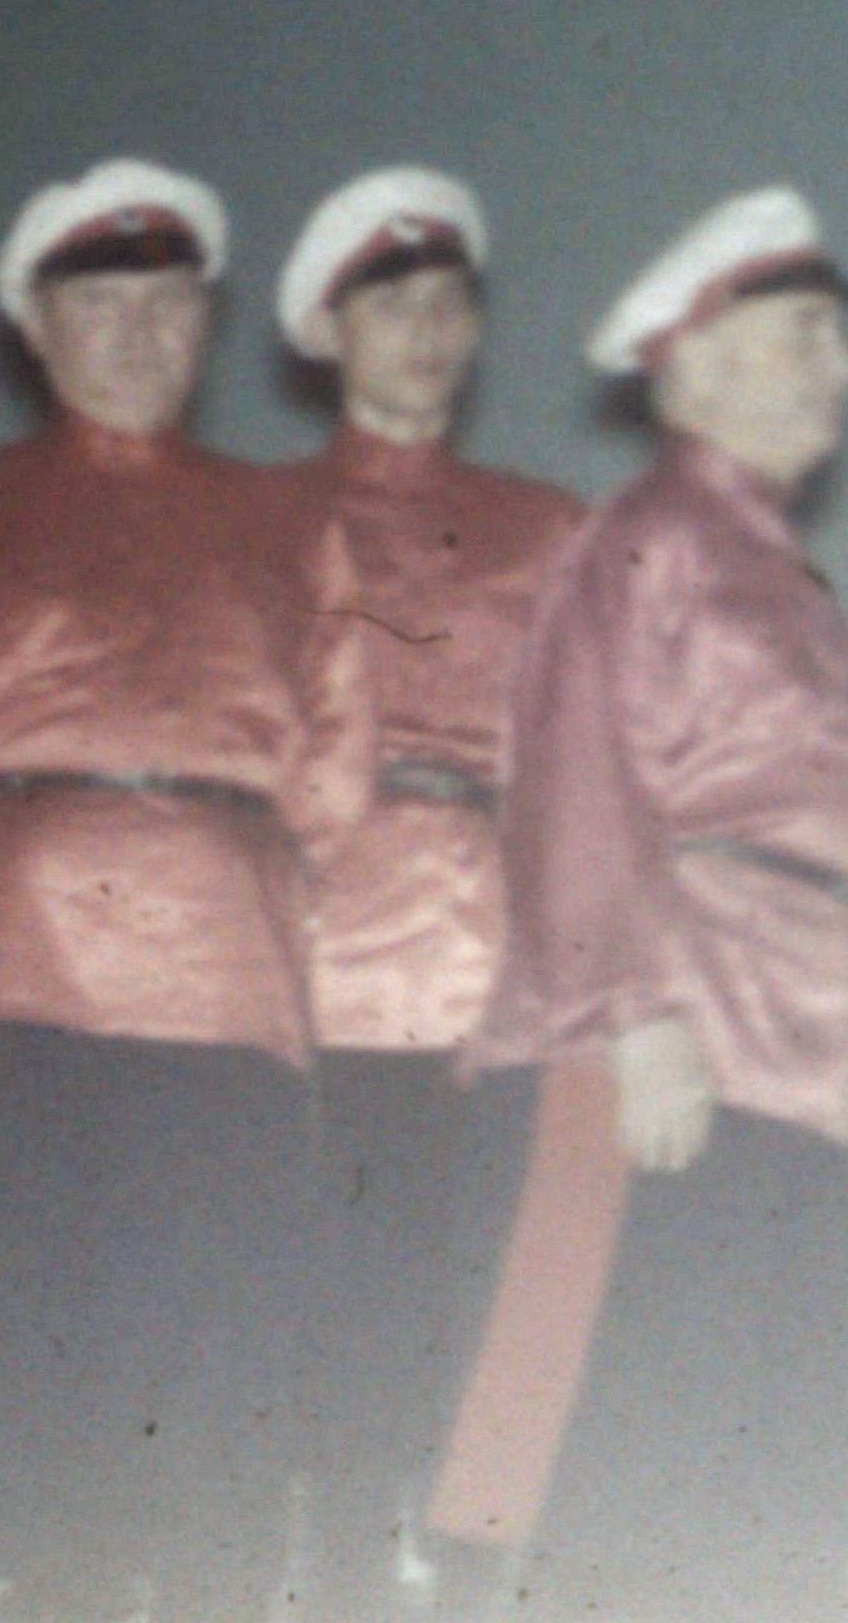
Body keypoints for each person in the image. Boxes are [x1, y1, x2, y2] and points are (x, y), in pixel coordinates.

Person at [0, 160, 373, 1623]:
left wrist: (199, 854)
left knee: (204, 1393)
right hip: (3, 985)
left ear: (208, 324)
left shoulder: (290, 527)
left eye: (167, 304)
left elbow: (337, 768)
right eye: (102, 304)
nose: (136, 334)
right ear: (36, 329)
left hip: (220, 1003)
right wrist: (14, 841)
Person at [451, 184, 848, 1621]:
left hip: (791, 1055)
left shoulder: (780, 571)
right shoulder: (649, 537)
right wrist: (633, 1015)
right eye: (807, 334)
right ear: (694, 364)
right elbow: (573, 768)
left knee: (783, 1453)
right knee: (645, 1441)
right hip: (674, 1048)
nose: (843, 368)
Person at [267, 166, 582, 1616]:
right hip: (313, 963)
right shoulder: (261, 517)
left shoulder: (548, 527)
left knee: (507, 1318)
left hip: (502, 969)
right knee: (332, 1319)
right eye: (393, 302)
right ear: (328, 330)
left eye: (452, 301)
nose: (428, 330)